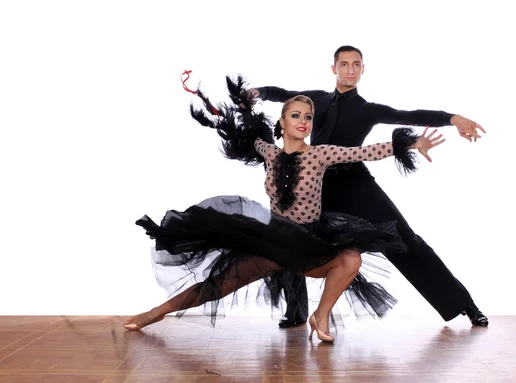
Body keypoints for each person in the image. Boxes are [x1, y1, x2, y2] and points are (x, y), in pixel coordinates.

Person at [124, 74, 445, 342]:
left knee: (351, 259)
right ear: (282, 121)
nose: (304, 121)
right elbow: (244, 132)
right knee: (219, 286)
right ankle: (155, 313)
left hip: (311, 243)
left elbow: (365, 152)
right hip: (273, 241)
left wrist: (411, 143)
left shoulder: (321, 154)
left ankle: (321, 316)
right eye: (296, 115)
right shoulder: (269, 152)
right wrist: (235, 109)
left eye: (308, 117)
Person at [250, 45, 489, 327]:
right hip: (315, 182)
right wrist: (257, 93)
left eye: (356, 65)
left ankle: (464, 304)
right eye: (344, 64)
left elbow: (409, 115)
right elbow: (281, 94)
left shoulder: (367, 110)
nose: (350, 70)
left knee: (404, 239)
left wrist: (452, 119)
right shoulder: (314, 100)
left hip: (355, 183)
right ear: (334, 68)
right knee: (290, 236)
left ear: (362, 69)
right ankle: (296, 312)